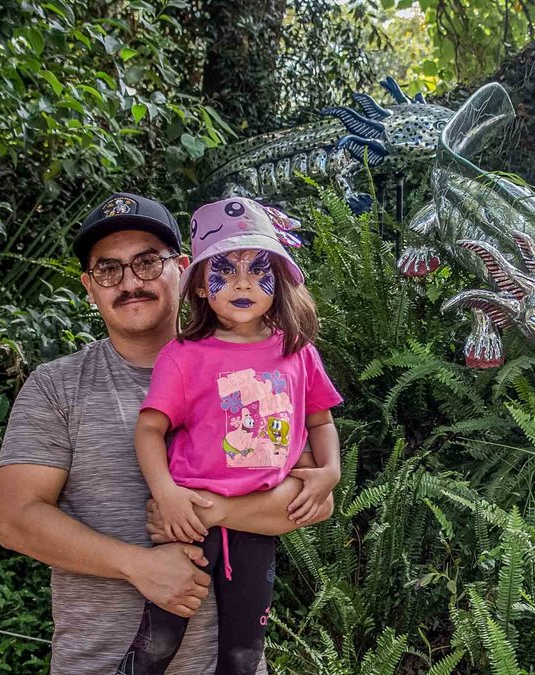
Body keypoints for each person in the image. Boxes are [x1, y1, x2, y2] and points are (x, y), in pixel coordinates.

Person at [0, 193, 334, 674]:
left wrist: (214, 510)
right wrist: (140, 566)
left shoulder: (267, 369)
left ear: (183, 268)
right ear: (90, 287)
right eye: (109, 270)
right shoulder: (57, 386)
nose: (130, 282)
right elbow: (17, 521)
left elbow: (312, 497)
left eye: (147, 263)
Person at [117, 197, 342, 675]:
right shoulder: (183, 357)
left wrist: (330, 472)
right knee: (158, 643)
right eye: (225, 268)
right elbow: (149, 430)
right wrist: (167, 494)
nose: (242, 282)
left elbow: (320, 421)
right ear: (199, 284)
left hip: (259, 525)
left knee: (243, 654)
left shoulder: (298, 352)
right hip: (190, 522)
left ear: (278, 278)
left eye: (257, 268)